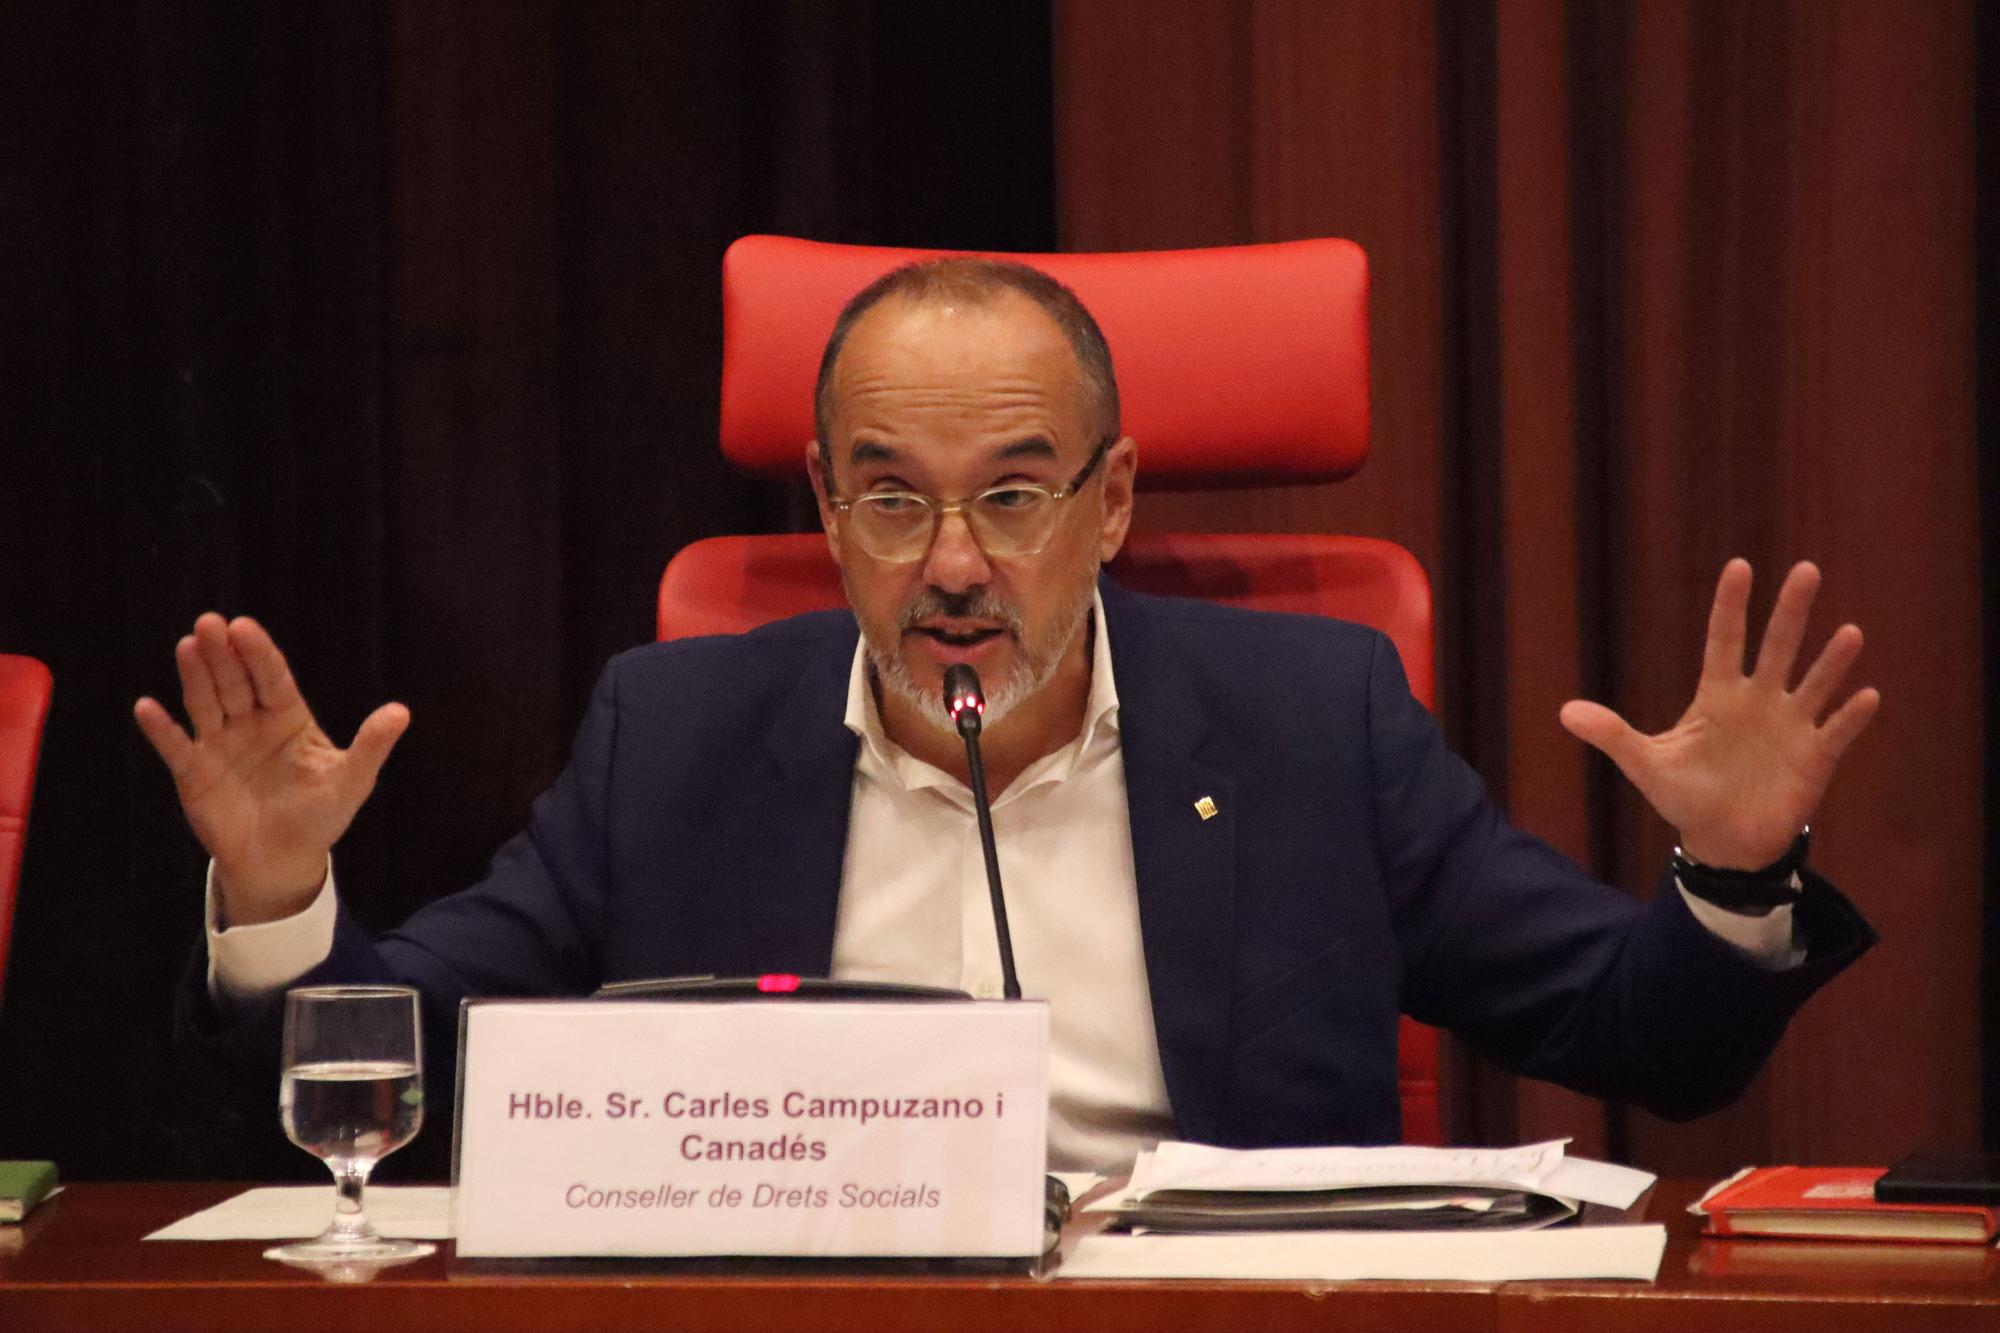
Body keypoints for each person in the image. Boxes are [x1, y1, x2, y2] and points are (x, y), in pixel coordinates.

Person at [142, 259, 1879, 1172]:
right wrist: (289, 908)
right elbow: (405, 1067)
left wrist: (1733, 874)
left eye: (1017, 497)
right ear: (822, 505)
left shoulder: (1309, 721)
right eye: (891, 500)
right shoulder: (673, 734)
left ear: (1115, 504)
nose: (953, 565)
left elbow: (1643, 1036)